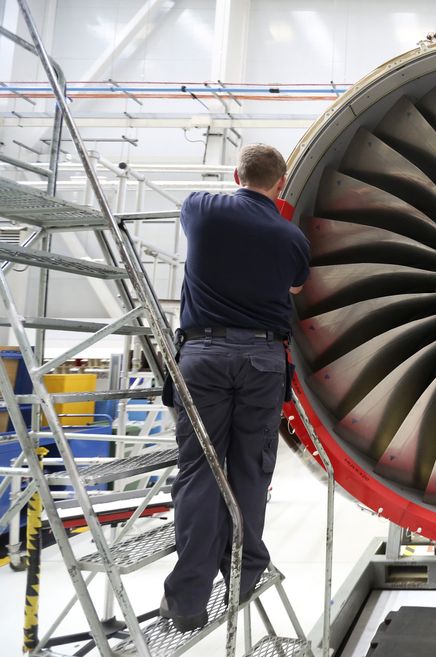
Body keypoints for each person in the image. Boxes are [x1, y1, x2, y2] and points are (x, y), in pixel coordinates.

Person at [159, 144, 310, 631]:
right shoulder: (291, 237)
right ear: (281, 184)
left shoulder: (201, 209)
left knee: (199, 472)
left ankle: (188, 602)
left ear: (235, 175)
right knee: (251, 471)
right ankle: (243, 577)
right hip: (263, 361)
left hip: (202, 355)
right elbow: (295, 288)